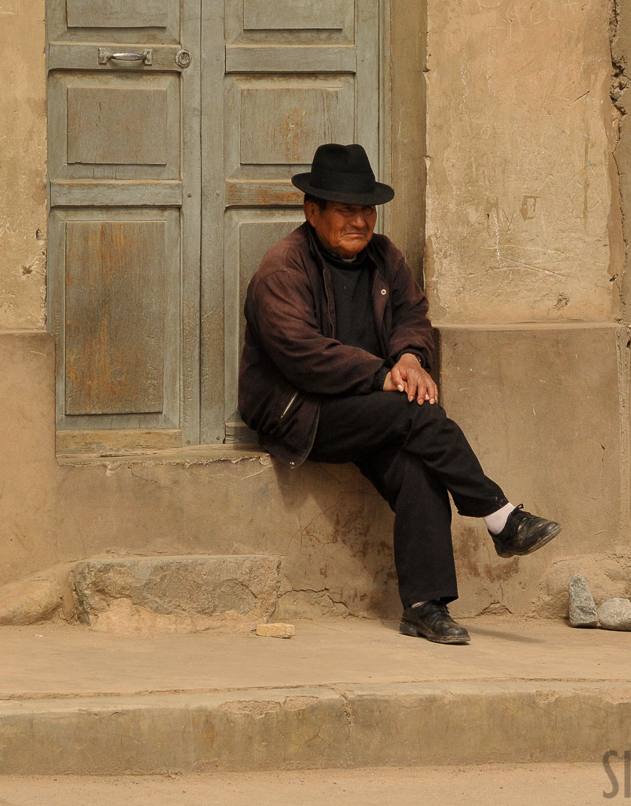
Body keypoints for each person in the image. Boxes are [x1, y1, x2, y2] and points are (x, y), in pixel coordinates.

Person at [238, 143, 561, 645]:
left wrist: (409, 357)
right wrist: (382, 376)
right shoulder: (283, 268)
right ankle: (500, 517)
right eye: (345, 210)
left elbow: (413, 316)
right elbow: (301, 354)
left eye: (366, 209)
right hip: (303, 411)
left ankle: (424, 606)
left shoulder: (385, 257)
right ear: (312, 212)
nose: (360, 221)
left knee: (421, 465)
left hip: (371, 408)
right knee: (414, 412)